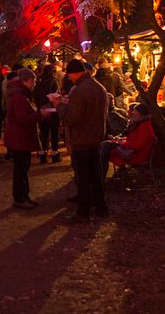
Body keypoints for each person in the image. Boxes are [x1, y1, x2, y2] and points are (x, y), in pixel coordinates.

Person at [51, 59, 109, 223]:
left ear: (75, 73)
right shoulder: (99, 87)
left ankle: (83, 213)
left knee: (83, 177)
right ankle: (101, 207)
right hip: (96, 137)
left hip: (82, 139)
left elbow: (71, 119)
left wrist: (59, 106)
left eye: (69, 74)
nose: (68, 78)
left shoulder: (79, 90)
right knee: (96, 176)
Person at [4, 68, 47, 210]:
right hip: (19, 138)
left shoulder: (22, 95)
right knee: (20, 169)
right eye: (33, 80)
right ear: (27, 81)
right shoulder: (19, 97)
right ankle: (19, 198)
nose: (35, 83)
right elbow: (22, 119)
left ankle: (24, 195)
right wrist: (40, 114)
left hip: (21, 137)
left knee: (23, 168)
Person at [100, 103, 156, 181]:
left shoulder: (144, 127)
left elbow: (139, 145)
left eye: (135, 112)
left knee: (105, 148)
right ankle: (101, 177)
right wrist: (120, 140)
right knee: (105, 147)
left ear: (141, 114)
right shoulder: (141, 124)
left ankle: (101, 178)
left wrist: (123, 142)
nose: (133, 113)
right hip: (131, 151)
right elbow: (134, 140)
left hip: (135, 154)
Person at [33, 64, 62, 164]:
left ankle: (43, 156)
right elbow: (57, 95)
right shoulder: (54, 82)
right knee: (54, 134)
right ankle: (55, 155)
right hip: (53, 111)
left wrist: (40, 106)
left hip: (42, 111)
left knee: (44, 134)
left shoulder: (38, 82)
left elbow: (35, 96)